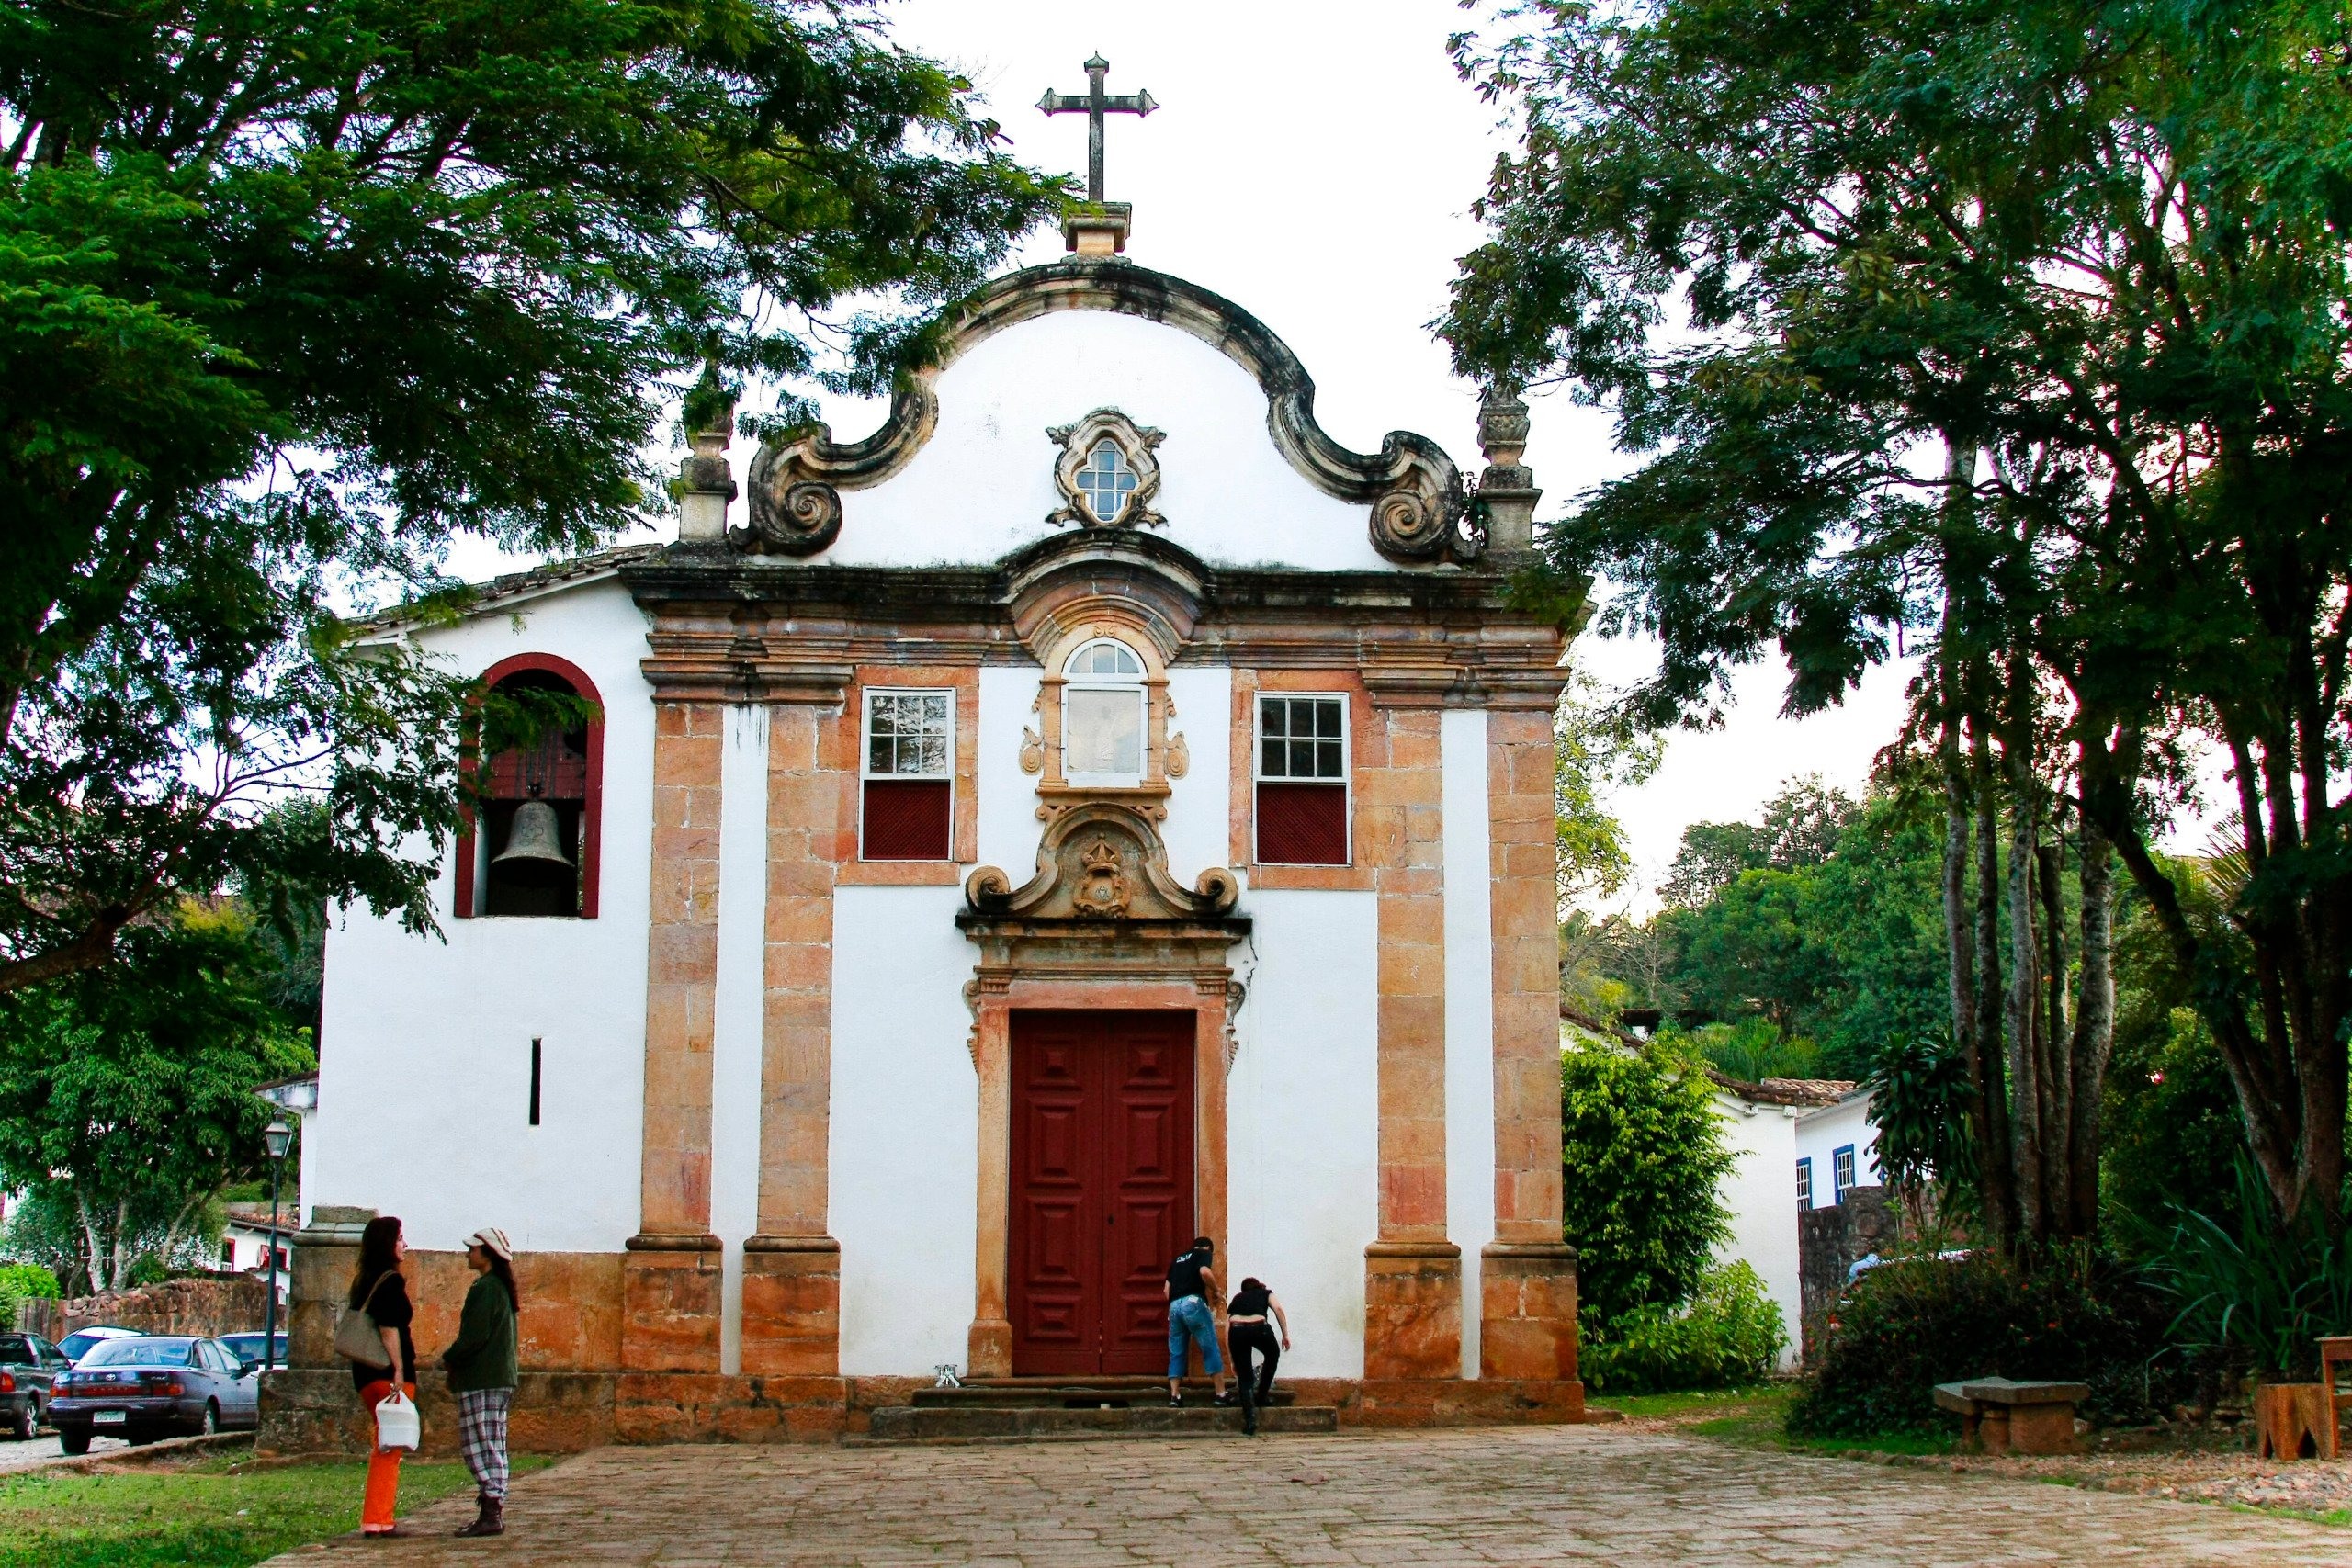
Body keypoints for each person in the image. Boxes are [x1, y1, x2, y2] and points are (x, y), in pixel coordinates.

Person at [443, 1227, 521, 1538]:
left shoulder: (487, 1289)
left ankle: (491, 1508)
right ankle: (492, 1505)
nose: (468, 1253)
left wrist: (451, 1356)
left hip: (483, 1376)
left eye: (474, 1249)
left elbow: (474, 1337)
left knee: (481, 1443)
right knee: (493, 1440)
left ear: (486, 1254)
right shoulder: (498, 1287)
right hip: (497, 1376)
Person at [345, 1215, 416, 1539]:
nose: (404, 1244)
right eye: (400, 1238)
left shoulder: (364, 1281)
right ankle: (378, 1518)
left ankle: (377, 1517)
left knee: (382, 1443)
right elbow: (389, 1329)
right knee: (389, 1448)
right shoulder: (390, 1281)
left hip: (364, 1375)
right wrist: (399, 1370)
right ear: (388, 1243)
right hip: (387, 1374)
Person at [1164, 1235, 1228, 1407]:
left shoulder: (1177, 1260)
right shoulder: (1203, 1254)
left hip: (1174, 1306)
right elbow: (1205, 1272)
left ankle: (1175, 1396)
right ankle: (1221, 1394)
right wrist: (1216, 1291)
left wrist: (1175, 1304)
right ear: (1208, 1248)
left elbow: (1166, 1289)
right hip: (1193, 1303)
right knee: (1210, 1347)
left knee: (1177, 1351)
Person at [1226, 1276, 1291, 1437]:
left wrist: (1231, 1359)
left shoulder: (1237, 1298)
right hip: (1259, 1327)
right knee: (1273, 1354)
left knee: (1245, 1375)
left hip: (1237, 1330)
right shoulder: (1265, 1292)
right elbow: (1279, 1310)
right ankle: (1262, 1395)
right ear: (1258, 1286)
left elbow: (1227, 1328)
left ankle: (1250, 1422)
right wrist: (1285, 1335)